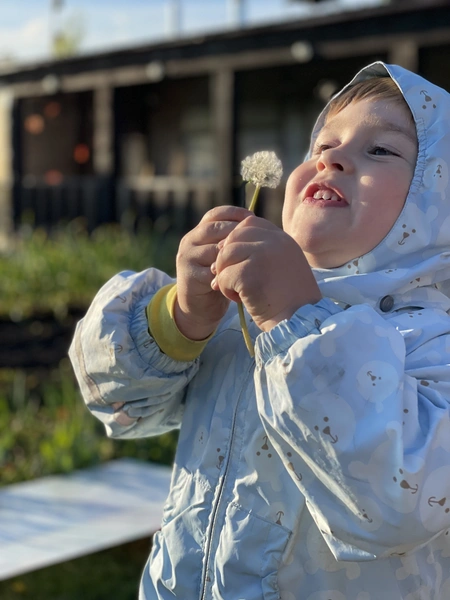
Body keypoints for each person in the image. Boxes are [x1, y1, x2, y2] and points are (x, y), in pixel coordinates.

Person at [69, 61, 450, 599]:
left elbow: (400, 502)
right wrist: (181, 318)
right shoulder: (237, 312)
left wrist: (295, 322)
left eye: (380, 150)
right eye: (322, 145)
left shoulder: (432, 340)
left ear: (439, 206)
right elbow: (121, 406)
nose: (332, 158)